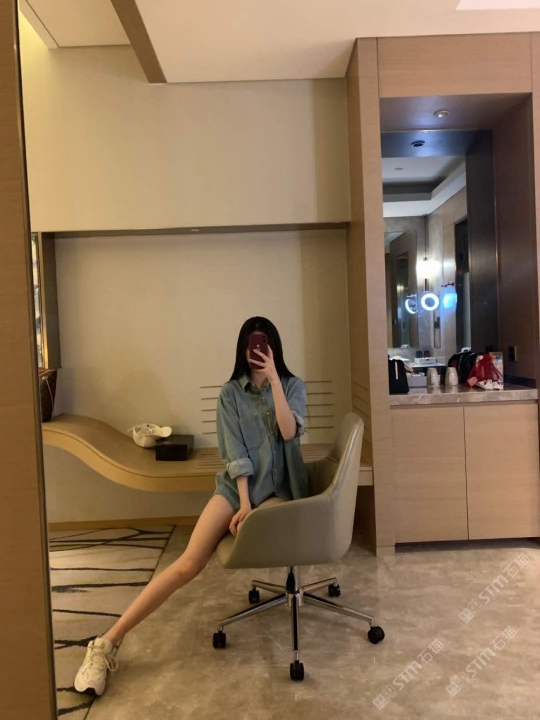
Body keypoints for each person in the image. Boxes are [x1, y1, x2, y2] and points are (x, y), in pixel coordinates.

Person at [74, 316, 308, 696]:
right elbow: (236, 456)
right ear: (243, 348)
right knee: (187, 564)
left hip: (280, 491)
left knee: (253, 530)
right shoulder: (229, 394)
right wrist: (243, 503)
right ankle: (106, 642)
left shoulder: (294, 387)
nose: (258, 350)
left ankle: (108, 641)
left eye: (264, 343)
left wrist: (275, 382)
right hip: (238, 489)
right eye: (252, 343)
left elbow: (288, 431)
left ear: (274, 347)